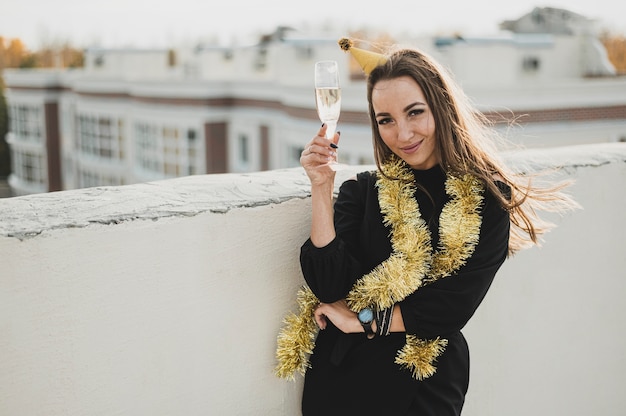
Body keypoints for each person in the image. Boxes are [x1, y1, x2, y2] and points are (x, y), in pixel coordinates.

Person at [275, 38, 577, 415]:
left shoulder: (488, 199)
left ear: (441, 107)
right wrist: (321, 187)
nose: (402, 134)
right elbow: (328, 283)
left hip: (424, 387)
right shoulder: (363, 191)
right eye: (386, 120)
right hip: (342, 383)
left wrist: (361, 321)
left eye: (414, 113)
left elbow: (450, 307)